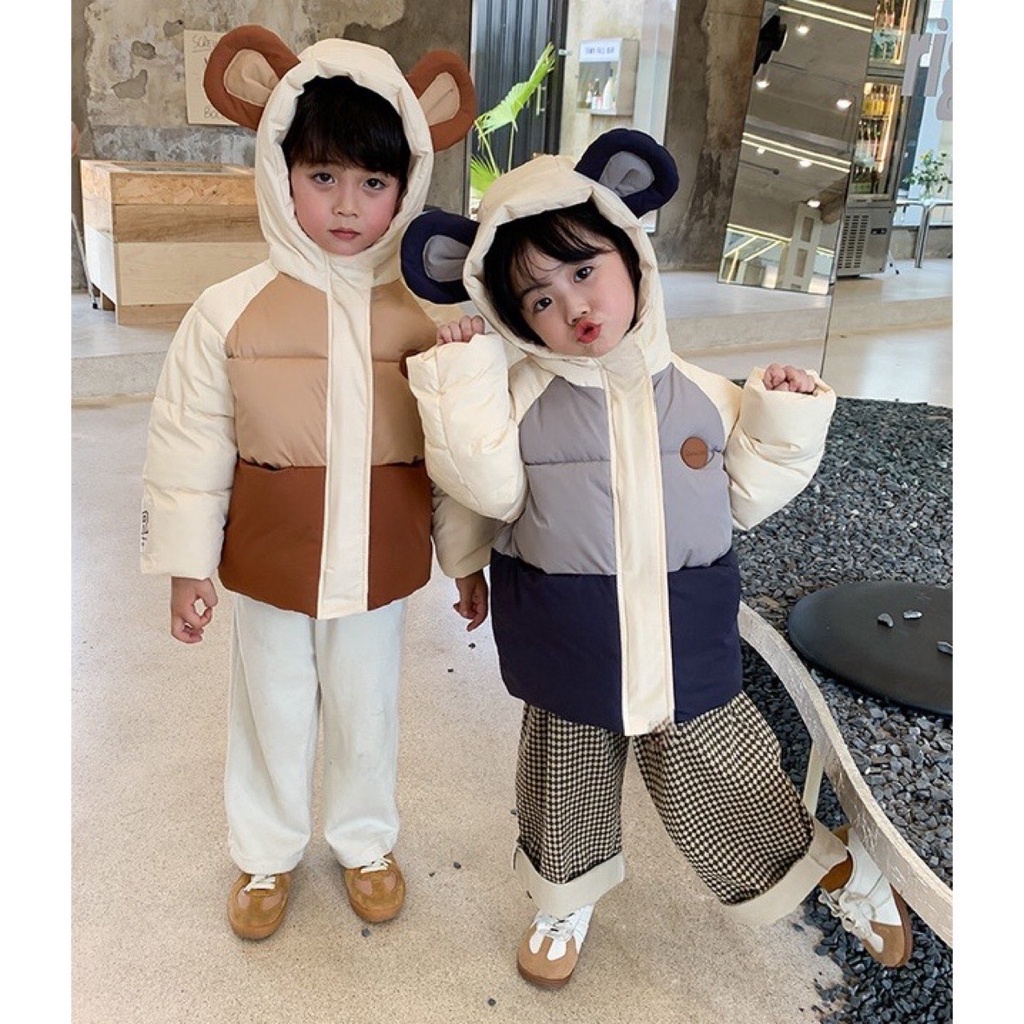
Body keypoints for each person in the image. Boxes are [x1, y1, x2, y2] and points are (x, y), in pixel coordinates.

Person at [401, 129, 914, 988]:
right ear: (511, 316)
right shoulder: (513, 402)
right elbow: (477, 488)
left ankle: (825, 866)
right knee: (563, 770)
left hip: (683, 625)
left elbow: (744, 494)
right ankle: (562, 898)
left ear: (632, 257)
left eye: (584, 269)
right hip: (566, 628)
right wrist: (464, 387)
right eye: (538, 298)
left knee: (713, 768)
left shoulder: (700, 392)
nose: (572, 304)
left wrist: (782, 416)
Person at [140, 25, 491, 942]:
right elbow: (189, 442)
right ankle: (265, 853)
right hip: (271, 560)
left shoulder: (424, 317)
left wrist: (466, 560)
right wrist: (185, 563)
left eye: (373, 183)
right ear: (281, 171)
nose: (346, 204)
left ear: (406, 187)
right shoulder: (227, 312)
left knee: (368, 709)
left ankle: (365, 842)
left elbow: (455, 454)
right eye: (323, 175)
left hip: (377, 563)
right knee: (271, 707)